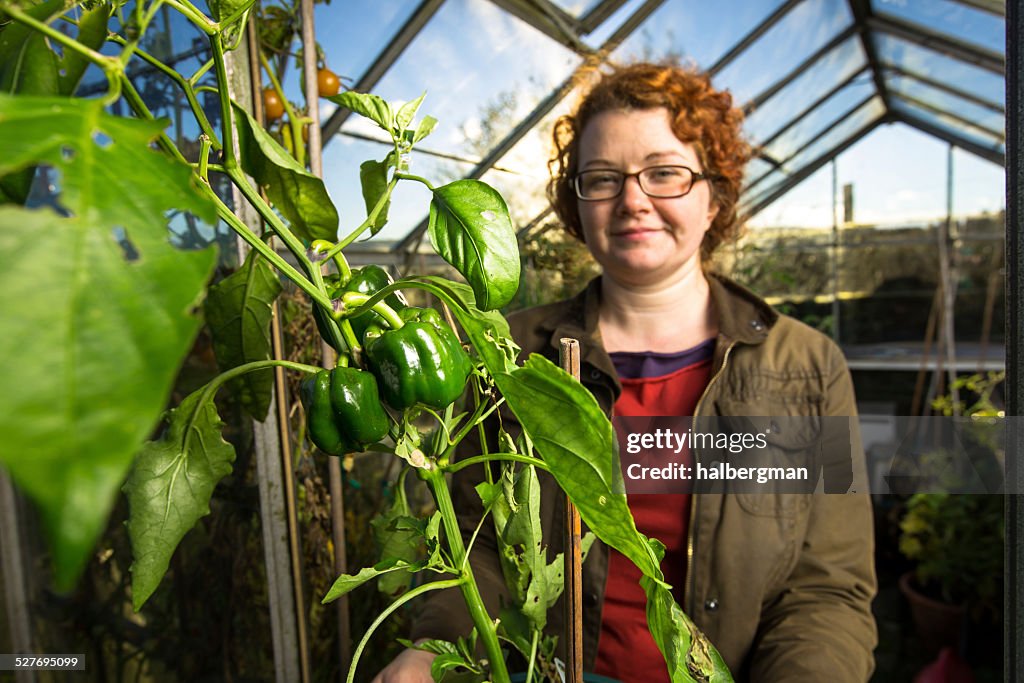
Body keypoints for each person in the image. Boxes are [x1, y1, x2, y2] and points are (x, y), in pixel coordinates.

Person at [373, 62, 877, 682]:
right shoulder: (514, 355)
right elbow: (480, 551)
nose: (633, 199)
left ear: (713, 194)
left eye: (664, 173)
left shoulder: (802, 366)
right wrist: (434, 650)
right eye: (604, 178)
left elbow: (825, 588)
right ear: (575, 202)